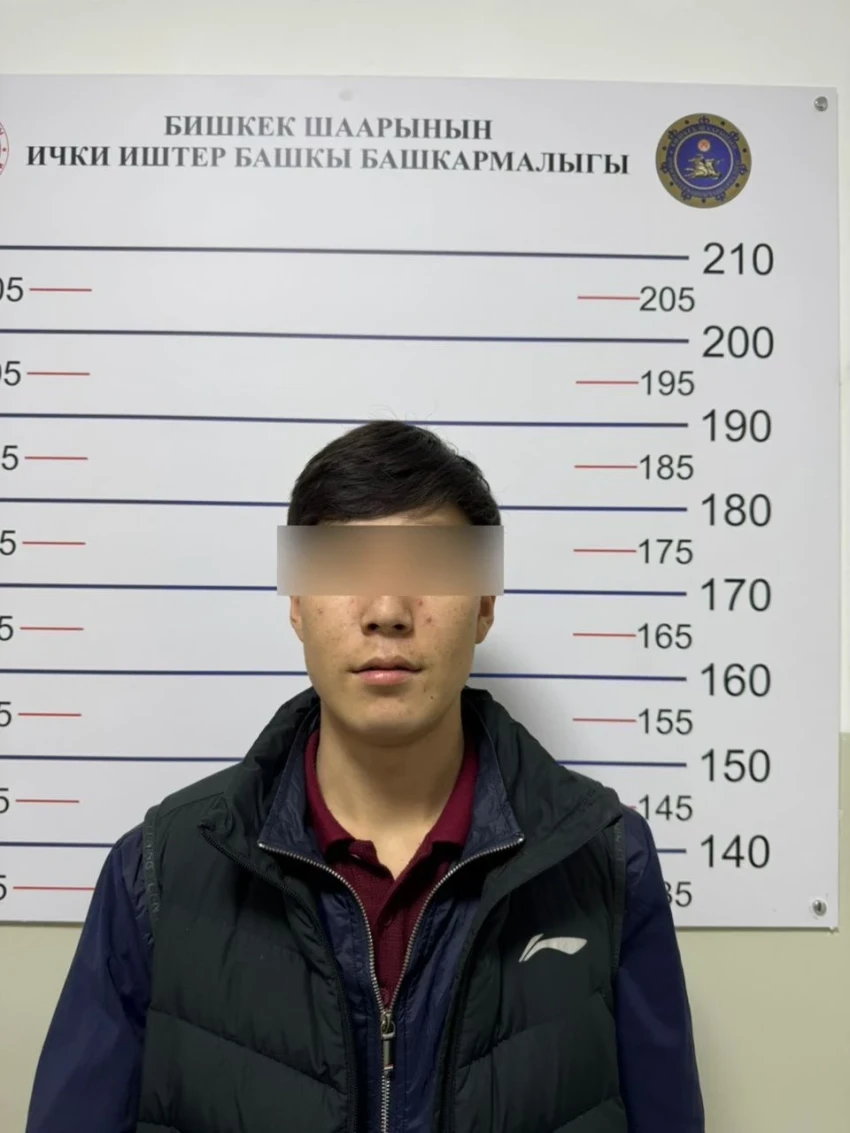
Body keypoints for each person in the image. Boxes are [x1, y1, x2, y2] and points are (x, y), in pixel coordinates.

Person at [26, 420, 704, 1133]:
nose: (386, 612)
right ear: (296, 603)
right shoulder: (157, 873)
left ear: (484, 604)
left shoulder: (606, 861)